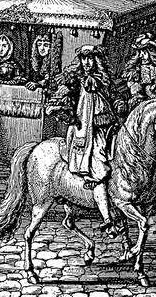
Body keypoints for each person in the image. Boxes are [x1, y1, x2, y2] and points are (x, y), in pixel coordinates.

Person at [46, 45, 125, 230]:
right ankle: (107, 218)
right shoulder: (75, 80)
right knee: (99, 166)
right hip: (86, 131)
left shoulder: (105, 79)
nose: (87, 63)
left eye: (90, 59)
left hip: (108, 127)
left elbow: (114, 96)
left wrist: (119, 103)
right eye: (83, 59)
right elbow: (64, 96)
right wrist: (58, 103)